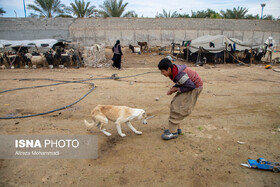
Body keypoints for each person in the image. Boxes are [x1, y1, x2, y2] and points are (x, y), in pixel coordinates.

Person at [158, 58, 203, 140]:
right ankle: (176, 129)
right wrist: (174, 88)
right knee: (175, 103)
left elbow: (191, 86)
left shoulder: (179, 75)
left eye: (163, 71)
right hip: (188, 86)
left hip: (194, 88)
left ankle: (173, 132)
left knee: (177, 107)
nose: (162, 73)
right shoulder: (173, 71)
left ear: (169, 69)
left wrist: (176, 89)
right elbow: (181, 82)